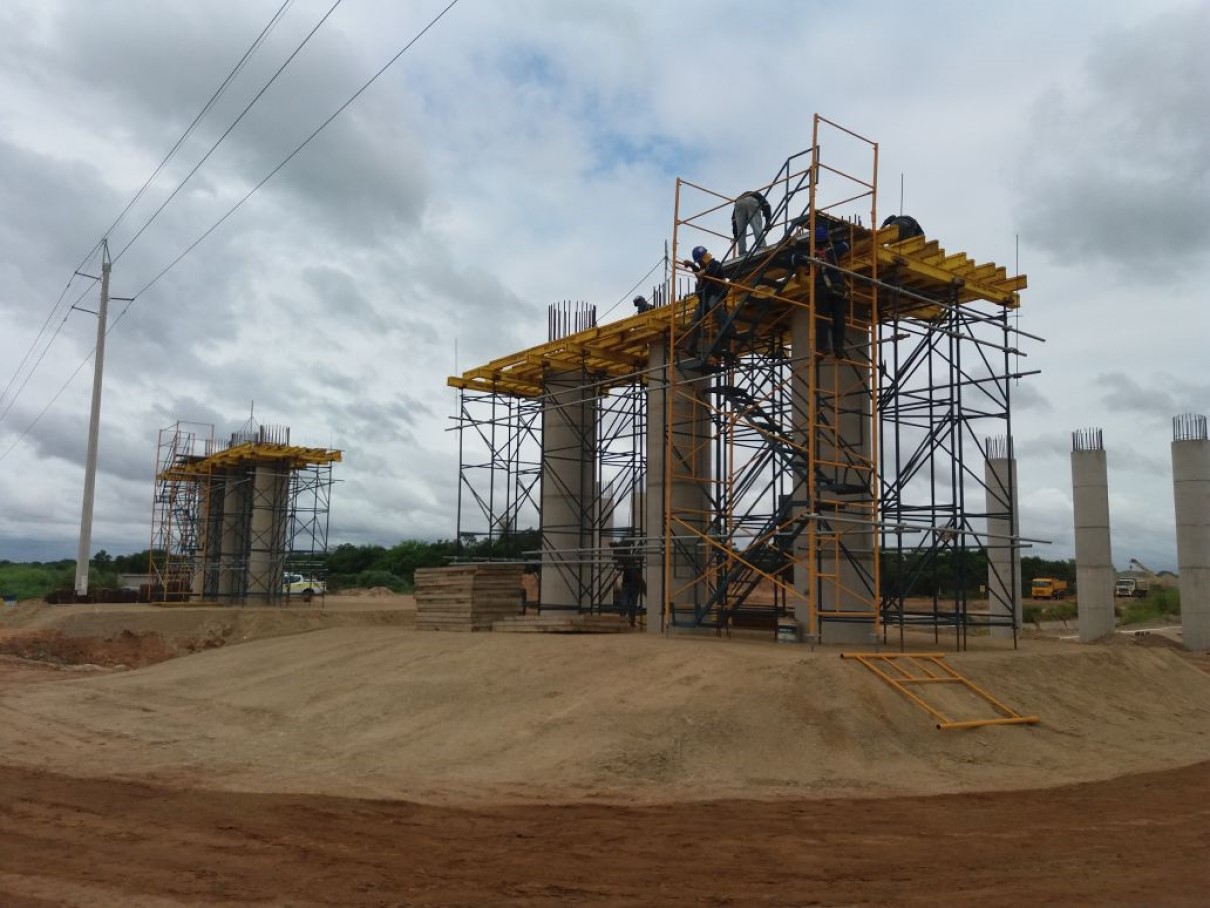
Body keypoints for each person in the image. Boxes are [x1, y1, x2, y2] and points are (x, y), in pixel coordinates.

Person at [681, 245, 727, 352]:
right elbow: (700, 273)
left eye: (699, 261)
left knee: (714, 307)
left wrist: (705, 272)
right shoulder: (704, 267)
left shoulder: (715, 264)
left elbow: (712, 271)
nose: (699, 263)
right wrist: (692, 265)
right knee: (694, 322)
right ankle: (692, 347)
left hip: (715, 294)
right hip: (704, 299)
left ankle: (726, 333)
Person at [732, 189, 773, 255]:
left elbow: (734, 220)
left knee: (740, 230)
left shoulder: (742, 198)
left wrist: (735, 235)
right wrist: (768, 222)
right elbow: (767, 206)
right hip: (751, 200)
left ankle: (742, 252)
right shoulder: (758, 196)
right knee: (756, 225)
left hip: (738, 202)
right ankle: (761, 246)